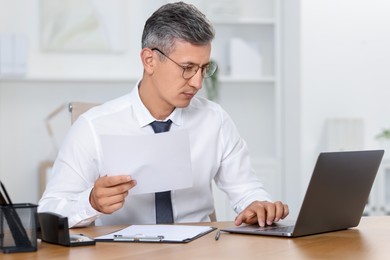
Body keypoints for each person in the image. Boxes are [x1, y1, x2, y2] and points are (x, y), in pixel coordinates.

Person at [38, 1, 289, 228]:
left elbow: (246, 189)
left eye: (204, 69)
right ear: (149, 60)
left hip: (199, 251)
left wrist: (258, 205)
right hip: (124, 254)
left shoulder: (215, 120)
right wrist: (91, 202)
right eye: (188, 68)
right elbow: (48, 211)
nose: (198, 83)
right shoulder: (93, 126)